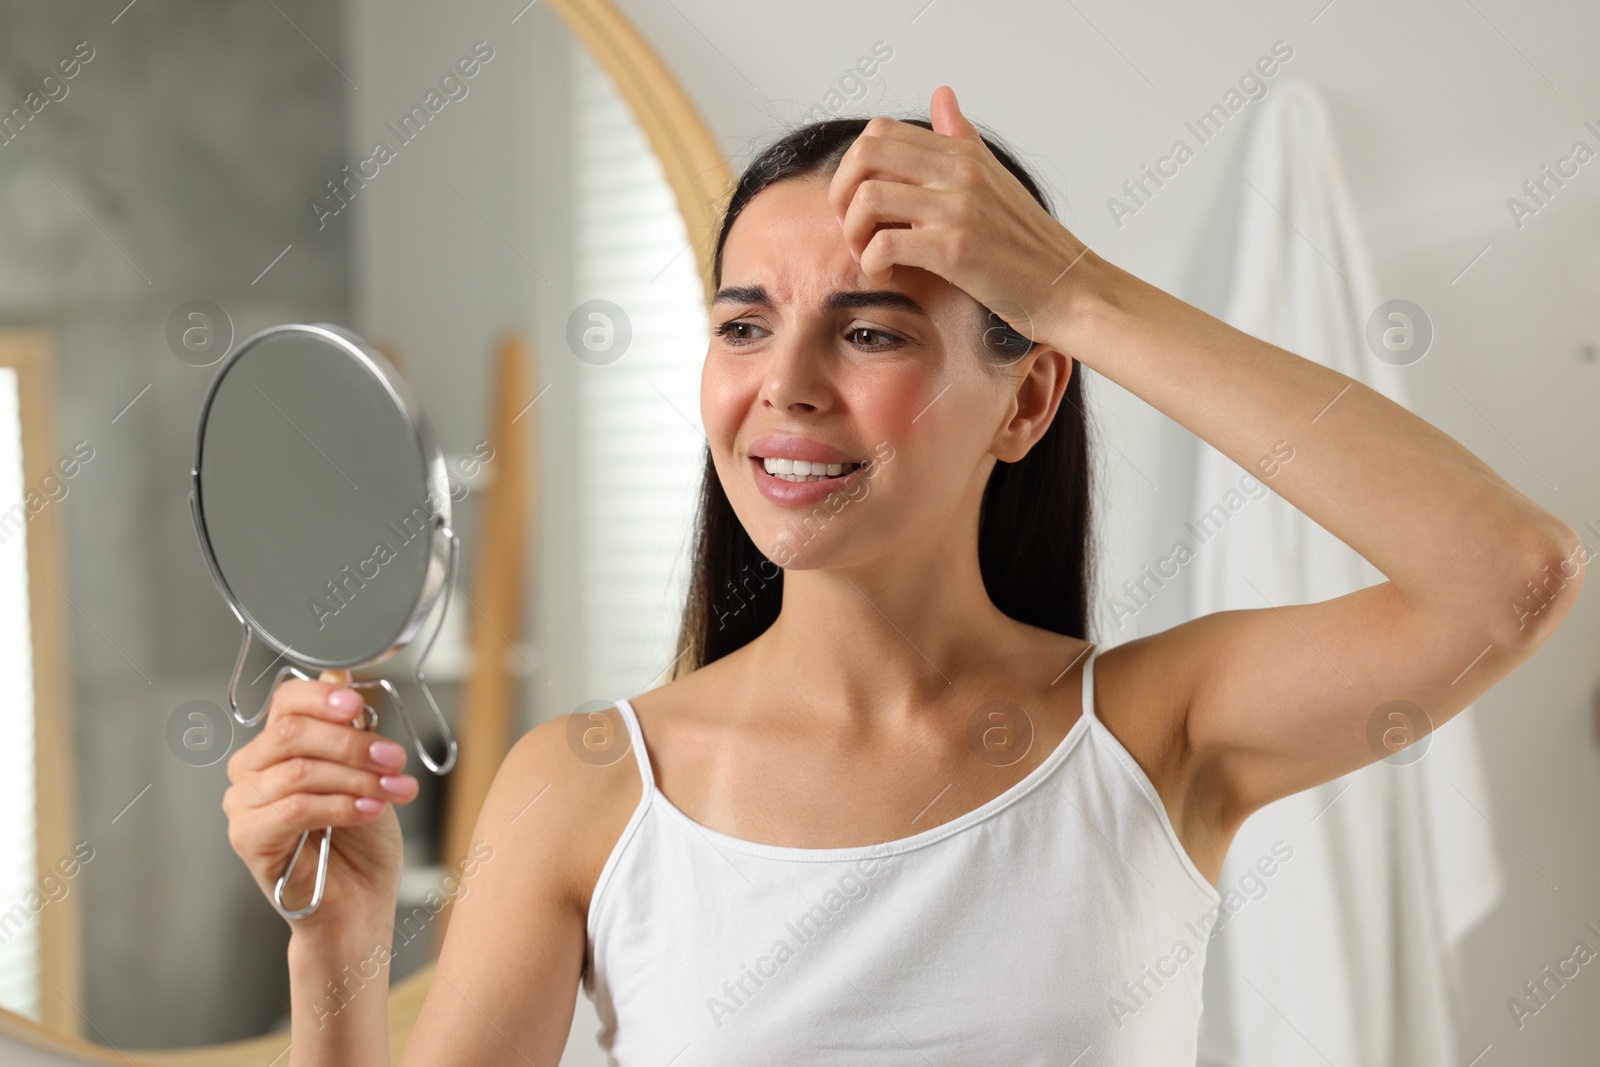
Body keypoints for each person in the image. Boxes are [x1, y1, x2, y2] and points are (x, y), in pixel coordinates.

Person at [221, 86, 1583, 1065]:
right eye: (743, 327)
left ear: (1029, 401)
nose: (787, 390)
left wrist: (1082, 294)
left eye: (870, 332)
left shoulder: (1154, 737)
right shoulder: (587, 788)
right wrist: (336, 960)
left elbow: (1508, 577)